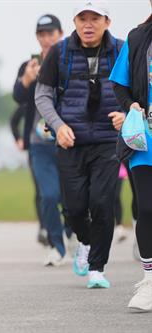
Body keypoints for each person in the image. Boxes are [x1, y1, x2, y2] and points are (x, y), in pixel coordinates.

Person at [35, 1, 125, 288]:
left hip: (108, 141)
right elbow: (43, 95)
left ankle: (97, 268)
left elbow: (141, 89)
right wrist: (58, 125)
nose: (88, 24)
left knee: (101, 203)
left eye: (95, 18)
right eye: (82, 18)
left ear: (107, 22)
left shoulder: (123, 50)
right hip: (70, 141)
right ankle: (85, 242)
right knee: (73, 208)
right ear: (74, 21)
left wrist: (128, 113)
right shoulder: (60, 53)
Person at [13, 14, 68, 266]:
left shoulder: (71, 58)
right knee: (48, 195)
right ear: (37, 37)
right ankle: (56, 245)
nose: (46, 38)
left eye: (51, 33)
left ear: (61, 33)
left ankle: (74, 233)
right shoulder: (30, 64)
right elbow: (18, 96)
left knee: (72, 197)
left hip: (69, 139)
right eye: (42, 34)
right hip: (39, 144)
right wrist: (27, 79)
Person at [110, 10, 152, 311]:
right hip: (145, 138)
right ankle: (149, 281)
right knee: (147, 207)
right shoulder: (138, 38)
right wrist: (131, 104)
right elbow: (119, 83)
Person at [10, 103, 48, 247]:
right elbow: (13, 121)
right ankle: (43, 228)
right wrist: (18, 139)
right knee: (40, 190)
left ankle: (64, 228)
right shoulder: (29, 102)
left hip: (57, 149)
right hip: (35, 150)